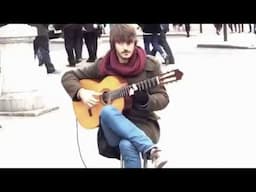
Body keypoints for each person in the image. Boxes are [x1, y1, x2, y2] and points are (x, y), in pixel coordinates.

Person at [61, 24, 169, 168]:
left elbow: (163, 98)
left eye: (129, 43)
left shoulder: (150, 65)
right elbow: (69, 76)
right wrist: (82, 93)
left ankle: (148, 148)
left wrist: (146, 101)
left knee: (127, 144)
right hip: (111, 127)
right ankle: (151, 150)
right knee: (107, 110)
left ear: (135, 43)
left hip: (143, 123)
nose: (125, 48)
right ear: (113, 44)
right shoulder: (104, 65)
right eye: (120, 43)